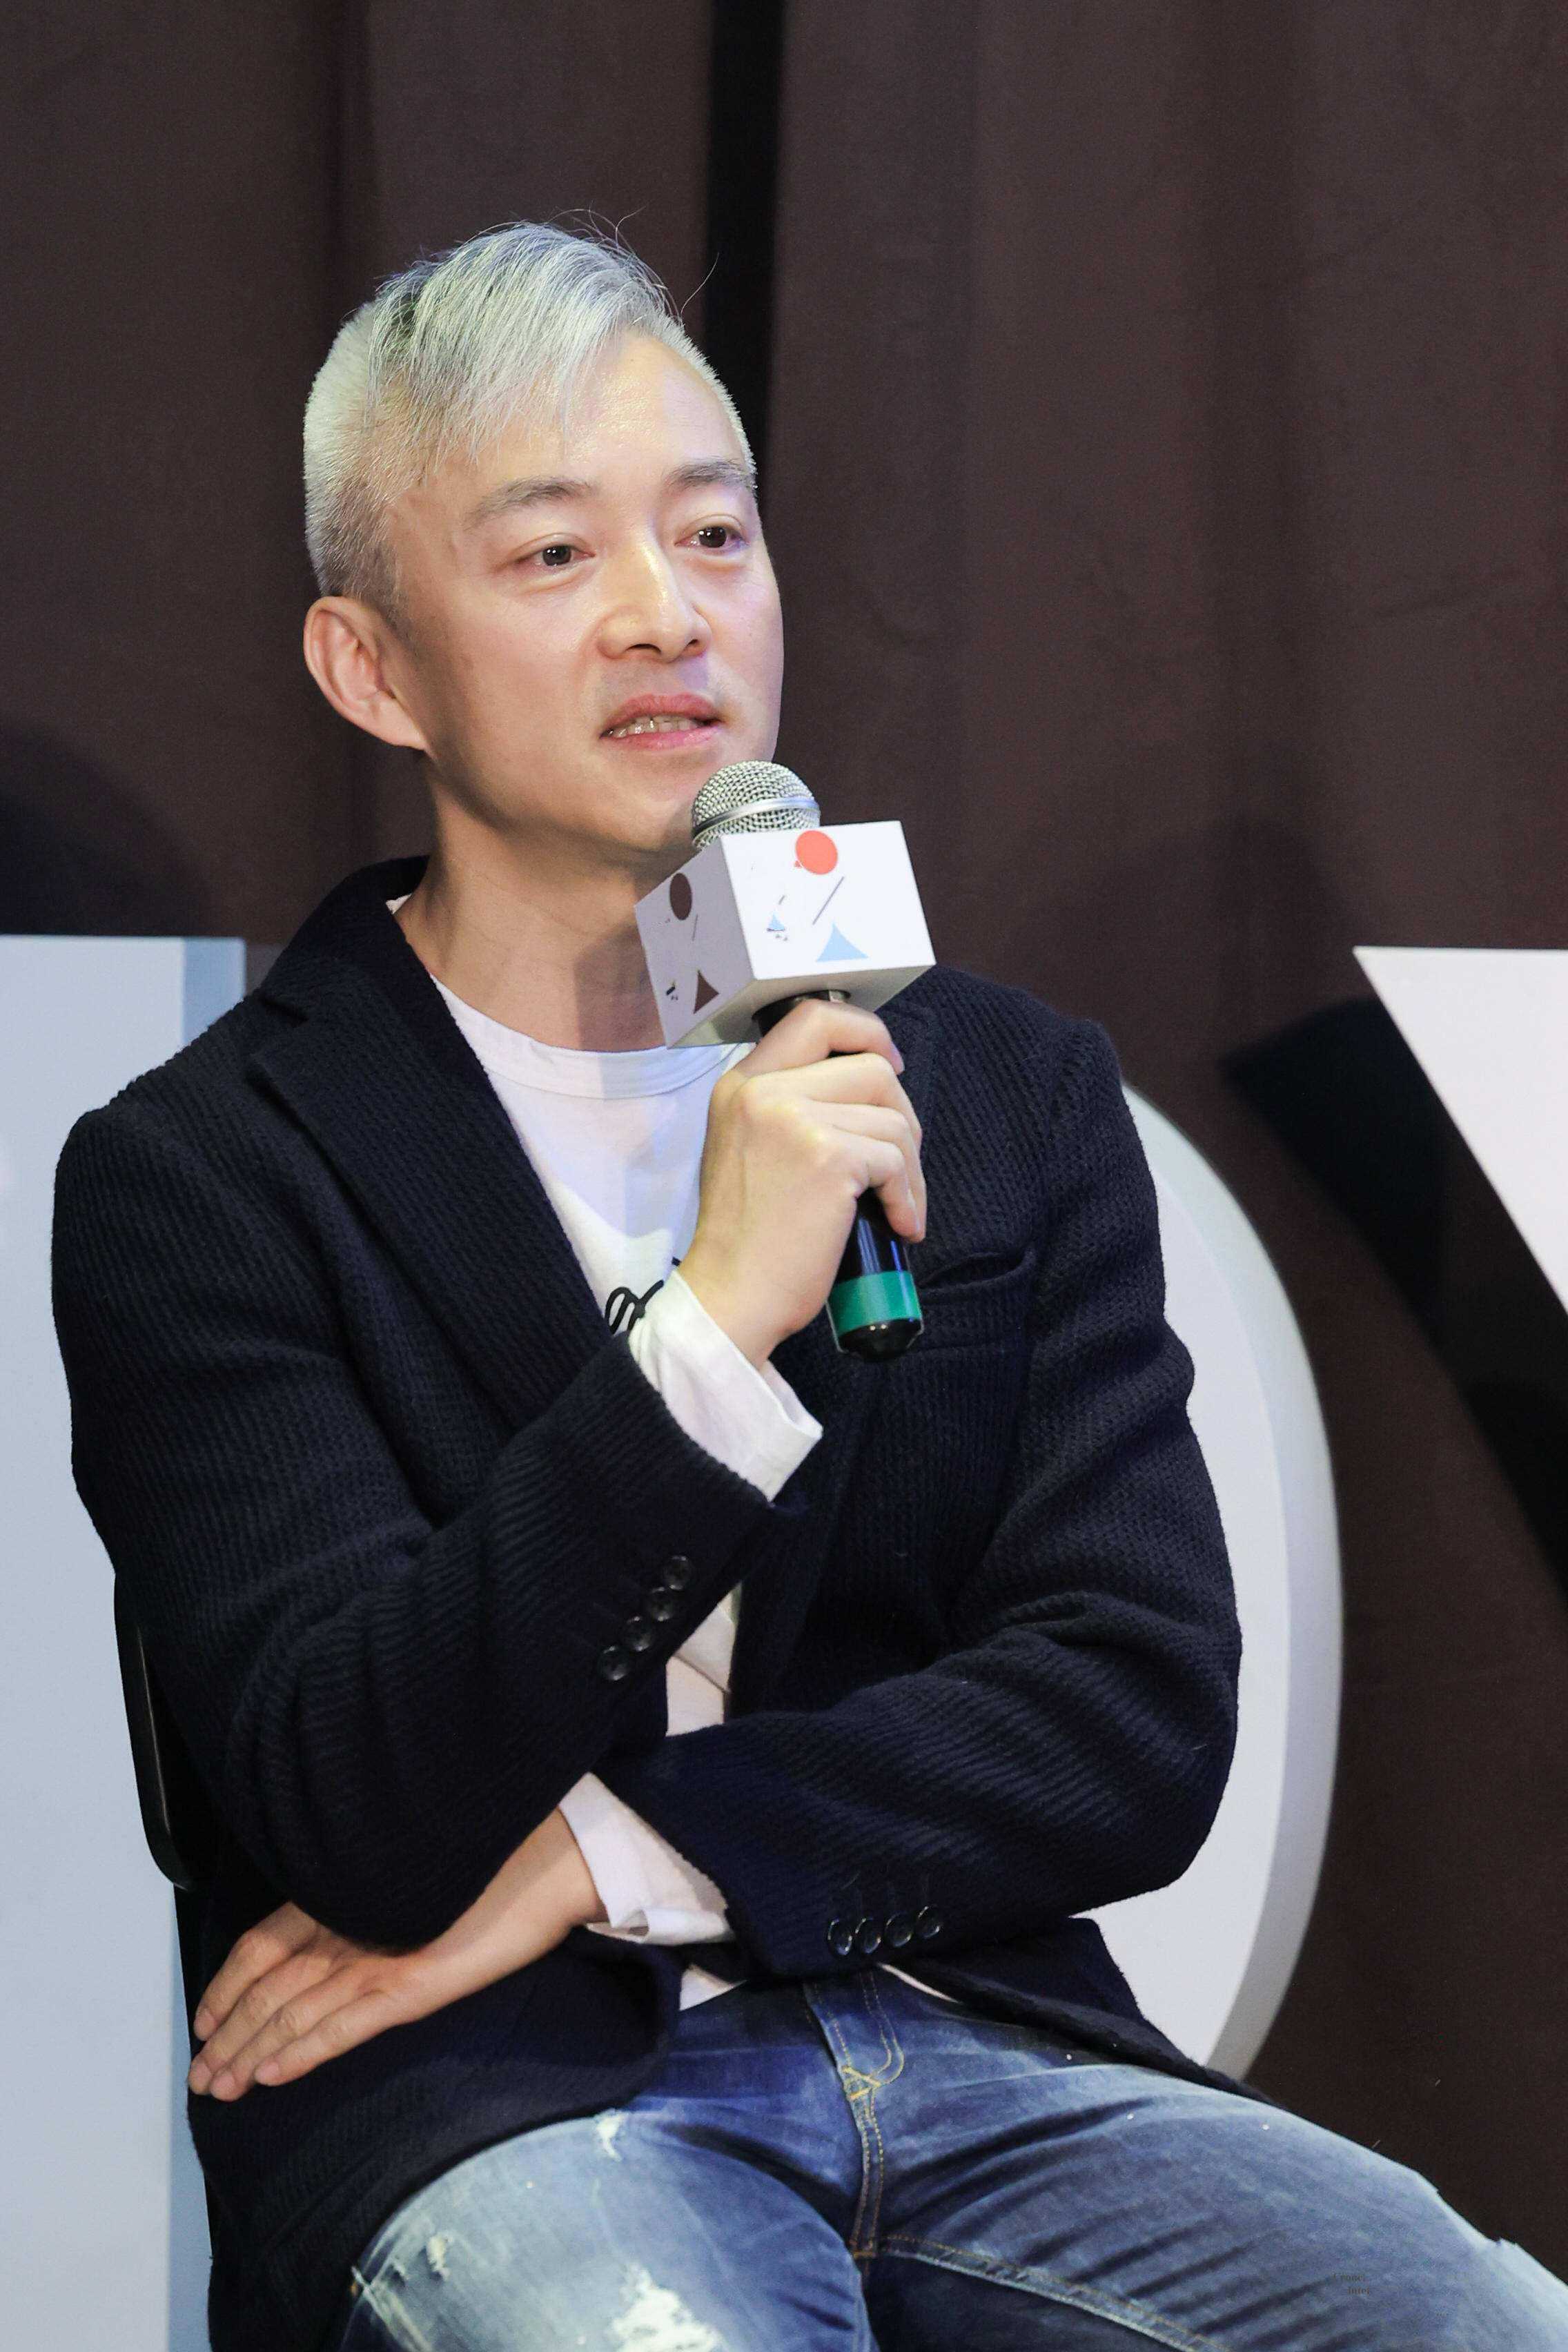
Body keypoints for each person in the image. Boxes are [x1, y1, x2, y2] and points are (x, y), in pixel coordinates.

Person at [51, 222, 1568, 2352]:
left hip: (978, 2044)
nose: (666, 613)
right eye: (554, 554)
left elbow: (1127, 1710)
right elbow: (355, 1794)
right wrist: (702, 1334)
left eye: (713, 534)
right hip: (499, 2107)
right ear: (370, 667)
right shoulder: (205, 1173)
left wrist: (606, 1857)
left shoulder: (995, 1085)